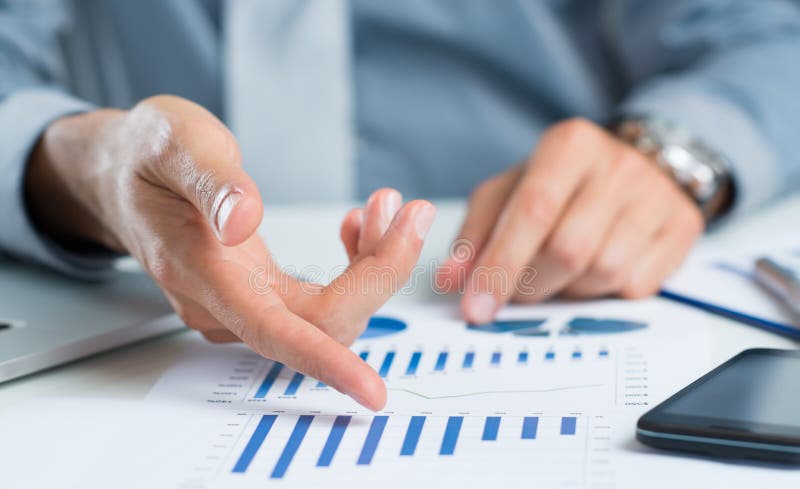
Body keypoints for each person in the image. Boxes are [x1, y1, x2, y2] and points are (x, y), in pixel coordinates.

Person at [1, 1, 799, 410]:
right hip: (117, 304)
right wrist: (79, 162)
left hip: (520, 287)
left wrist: (670, 153)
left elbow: (767, 37)